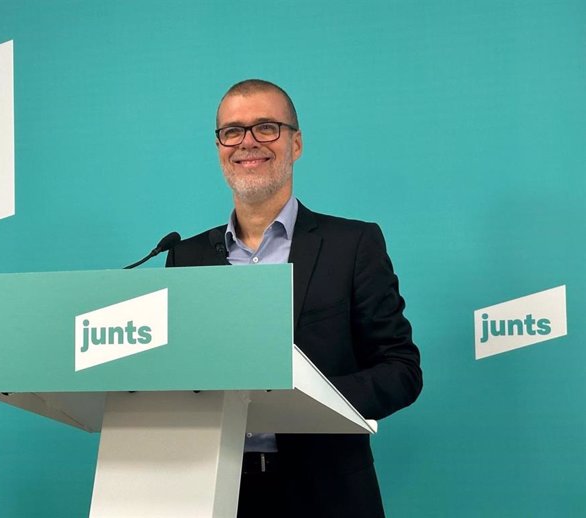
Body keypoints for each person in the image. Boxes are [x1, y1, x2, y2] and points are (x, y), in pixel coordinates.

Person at [166, 79, 422, 518]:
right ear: (219, 147)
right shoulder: (185, 257)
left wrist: (307, 402)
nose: (247, 142)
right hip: (211, 491)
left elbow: (401, 371)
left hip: (326, 493)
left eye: (266, 127)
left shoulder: (352, 244)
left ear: (296, 143)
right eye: (233, 131)